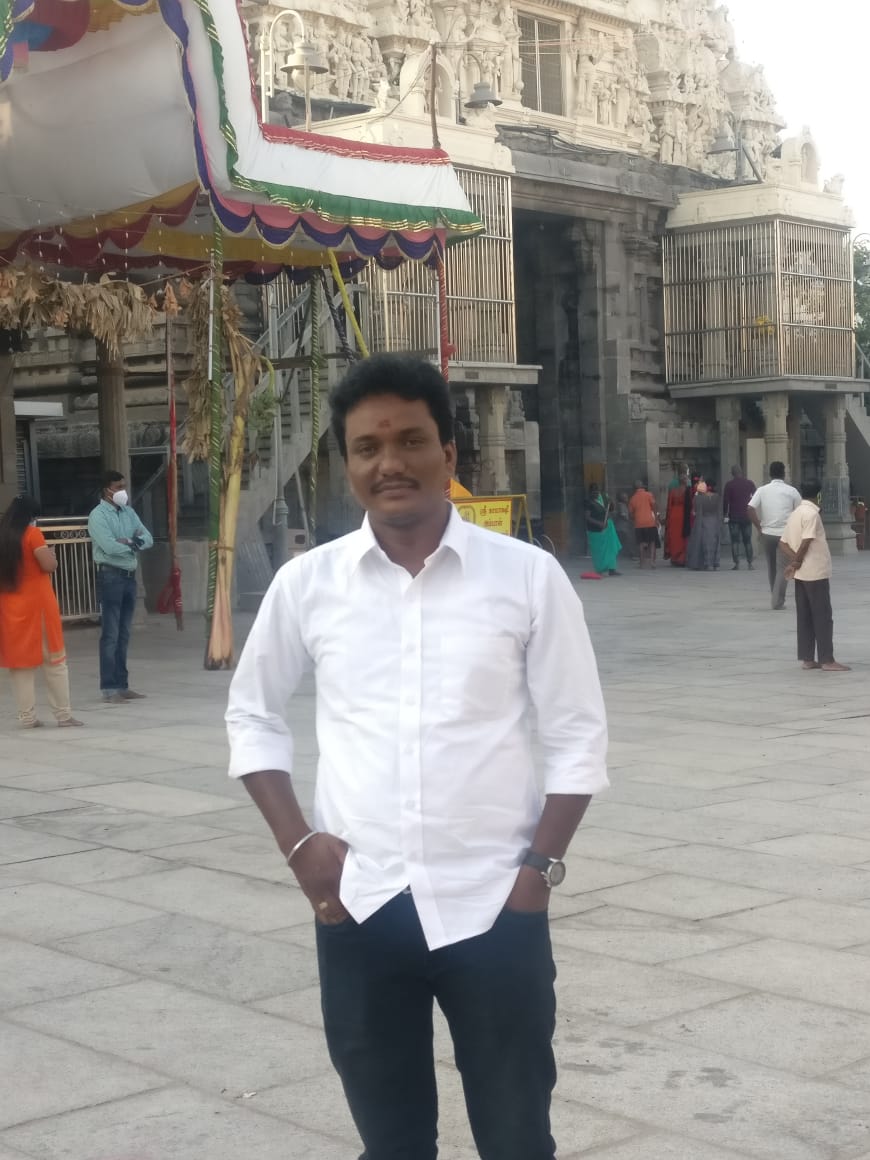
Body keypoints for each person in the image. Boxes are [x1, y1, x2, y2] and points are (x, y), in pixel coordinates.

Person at [225, 353, 609, 1160]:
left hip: (495, 906)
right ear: (348, 463)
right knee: (391, 1143)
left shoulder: (527, 577)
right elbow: (252, 713)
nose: (389, 463)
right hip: (359, 906)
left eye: (410, 441)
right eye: (367, 447)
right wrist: (300, 848)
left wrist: (538, 873)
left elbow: (576, 733)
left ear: (449, 453)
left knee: (517, 1138)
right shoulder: (308, 585)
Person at [0, 494, 83, 728]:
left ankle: (27, 717)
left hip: (10, 607)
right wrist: (52, 557)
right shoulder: (32, 534)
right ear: (30, 516)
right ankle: (63, 715)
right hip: (38, 607)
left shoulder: (3, 537)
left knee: (20, 665)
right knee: (55, 661)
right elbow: (48, 565)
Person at [88, 470, 153, 703]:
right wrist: (133, 544)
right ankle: (109, 687)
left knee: (124, 633)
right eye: (118, 487)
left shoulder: (128, 512)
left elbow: (148, 538)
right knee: (111, 634)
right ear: (106, 490)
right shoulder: (97, 516)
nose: (122, 491)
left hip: (128, 577)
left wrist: (129, 542)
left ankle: (122, 685)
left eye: (123, 486)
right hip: (111, 577)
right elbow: (108, 547)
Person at [779, 483, 850, 672]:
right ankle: (827, 659)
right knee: (822, 615)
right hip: (815, 572)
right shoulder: (811, 514)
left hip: (801, 574)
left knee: (805, 616)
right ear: (819, 495)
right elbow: (807, 541)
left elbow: (782, 543)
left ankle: (808, 658)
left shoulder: (795, 513)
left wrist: (795, 561)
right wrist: (797, 561)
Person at [747, 462, 800, 610]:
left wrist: (759, 527)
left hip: (767, 533)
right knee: (783, 567)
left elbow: (750, 508)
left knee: (772, 566)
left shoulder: (762, 490)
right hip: (785, 534)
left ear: (770, 474)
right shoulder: (792, 491)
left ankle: (775, 595)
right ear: (784, 473)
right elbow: (800, 511)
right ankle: (777, 601)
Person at [722, 465, 756, 570]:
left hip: (734, 516)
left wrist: (725, 513)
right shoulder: (749, 483)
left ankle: (737, 563)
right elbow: (756, 497)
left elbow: (726, 501)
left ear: (732, 473)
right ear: (742, 472)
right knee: (747, 540)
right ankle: (750, 563)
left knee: (735, 541)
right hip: (746, 515)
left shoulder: (729, 485)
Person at [584, 483, 621, 576]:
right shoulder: (588, 502)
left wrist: (611, 502)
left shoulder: (603, 498)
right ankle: (599, 569)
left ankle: (612, 569)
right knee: (598, 551)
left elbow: (611, 509)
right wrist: (599, 523)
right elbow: (587, 517)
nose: (596, 494)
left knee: (610, 549)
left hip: (607, 528)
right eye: (593, 492)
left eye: (597, 492)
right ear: (590, 492)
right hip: (595, 531)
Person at [686, 480, 722, 571]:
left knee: (705, 543)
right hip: (715, 522)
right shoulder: (717, 497)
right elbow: (719, 511)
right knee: (715, 543)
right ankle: (715, 563)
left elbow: (695, 512)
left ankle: (708, 564)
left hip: (703, 522)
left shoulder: (698, 498)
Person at [628, 479, 659, 568]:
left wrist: (635, 518)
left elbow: (630, 514)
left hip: (639, 524)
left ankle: (642, 563)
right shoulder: (648, 494)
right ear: (642, 486)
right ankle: (652, 562)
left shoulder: (632, 499)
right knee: (652, 542)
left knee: (641, 543)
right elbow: (654, 506)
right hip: (650, 522)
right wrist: (656, 518)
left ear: (634, 488)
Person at [663, 471, 691, 567]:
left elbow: (669, 505)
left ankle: (674, 558)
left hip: (673, 514)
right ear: (685, 481)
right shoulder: (688, 491)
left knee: (674, 536)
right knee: (682, 537)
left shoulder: (673, 491)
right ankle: (681, 558)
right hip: (683, 514)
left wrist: (667, 517)